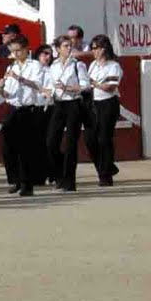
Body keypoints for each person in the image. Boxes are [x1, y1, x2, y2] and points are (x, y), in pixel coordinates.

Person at [0, 35, 47, 197]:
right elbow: (7, 94)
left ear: (26, 49)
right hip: (13, 107)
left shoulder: (35, 66)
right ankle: (16, 179)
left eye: (19, 50)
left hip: (28, 109)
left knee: (26, 148)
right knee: (8, 144)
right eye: (13, 51)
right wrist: (0, 88)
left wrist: (19, 78)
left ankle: (27, 184)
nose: (16, 54)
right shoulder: (11, 67)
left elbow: (38, 86)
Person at [45, 36, 89, 191]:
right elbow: (49, 85)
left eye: (70, 45)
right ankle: (59, 175)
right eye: (65, 46)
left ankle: (69, 181)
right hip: (58, 104)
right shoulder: (53, 66)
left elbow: (85, 86)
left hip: (73, 104)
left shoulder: (78, 65)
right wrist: (48, 93)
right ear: (57, 49)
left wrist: (68, 88)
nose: (69, 48)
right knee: (51, 142)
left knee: (71, 143)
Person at [85, 35, 123, 187]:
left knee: (104, 138)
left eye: (95, 48)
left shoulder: (113, 66)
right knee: (90, 139)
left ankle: (105, 175)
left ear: (103, 49)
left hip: (108, 104)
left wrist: (94, 83)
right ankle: (108, 167)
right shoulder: (93, 65)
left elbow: (110, 87)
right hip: (94, 103)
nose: (92, 51)